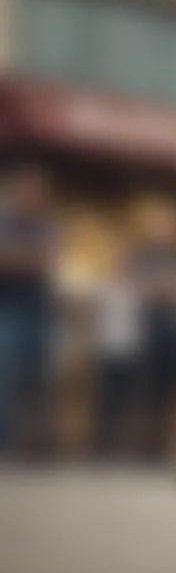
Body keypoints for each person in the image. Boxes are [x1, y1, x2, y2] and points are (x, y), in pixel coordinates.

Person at [0, 164, 56, 459]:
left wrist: (15, 256)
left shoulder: (47, 223)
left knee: (40, 377)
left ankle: (40, 446)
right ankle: (4, 444)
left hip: (38, 308)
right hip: (6, 307)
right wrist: (25, 258)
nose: (34, 195)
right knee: (4, 375)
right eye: (29, 189)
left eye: (39, 191)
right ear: (15, 189)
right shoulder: (4, 218)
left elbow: (46, 260)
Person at [132, 200, 176, 461]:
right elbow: (143, 289)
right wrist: (168, 288)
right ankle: (148, 442)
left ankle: (164, 442)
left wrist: (166, 288)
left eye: (172, 226)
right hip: (151, 328)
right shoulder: (143, 255)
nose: (168, 230)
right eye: (163, 225)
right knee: (149, 387)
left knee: (172, 388)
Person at [90, 245, 142, 459]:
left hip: (130, 351)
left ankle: (121, 443)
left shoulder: (137, 290)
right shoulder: (102, 288)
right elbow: (93, 319)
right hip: (107, 349)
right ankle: (102, 442)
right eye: (119, 263)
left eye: (126, 263)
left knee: (125, 399)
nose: (122, 266)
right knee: (105, 398)